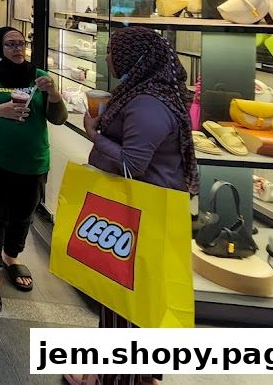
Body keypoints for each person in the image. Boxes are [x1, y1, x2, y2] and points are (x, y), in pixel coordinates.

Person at [64, 27, 200, 385]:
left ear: (133, 58)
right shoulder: (152, 93)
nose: (108, 58)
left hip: (141, 212)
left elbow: (132, 164)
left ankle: (117, 378)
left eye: (112, 52)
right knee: (138, 295)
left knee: (127, 296)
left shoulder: (147, 103)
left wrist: (95, 136)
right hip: (148, 209)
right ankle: (135, 374)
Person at [0, 27, 67, 314]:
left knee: (24, 213)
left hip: (32, 160)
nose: (17, 49)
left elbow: (58, 119)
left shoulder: (40, 77)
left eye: (21, 43)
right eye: (10, 44)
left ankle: (11, 256)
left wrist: (54, 94)